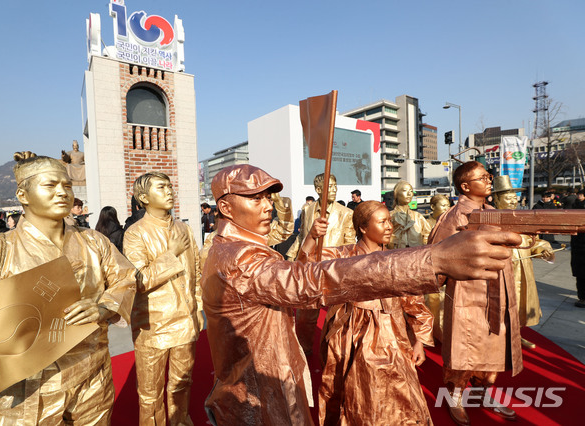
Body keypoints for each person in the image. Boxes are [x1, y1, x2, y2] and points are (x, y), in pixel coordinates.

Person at [201, 164, 521, 425]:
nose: (269, 205)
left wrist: (419, 334)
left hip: (279, 382)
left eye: (268, 197)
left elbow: (298, 279)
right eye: (255, 198)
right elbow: (307, 280)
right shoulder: (240, 258)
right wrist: (432, 259)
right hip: (259, 399)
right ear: (225, 207)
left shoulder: (236, 249)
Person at [0, 151, 137, 424]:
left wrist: (104, 306)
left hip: (93, 368)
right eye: (50, 185)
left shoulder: (94, 241)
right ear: (23, 195)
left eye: (67, 186)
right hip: (29, 385)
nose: (62, 193)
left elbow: (126, 278)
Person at [300, 201, 434, 425]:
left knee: (402, 393)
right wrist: (312, 237)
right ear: (363, 228)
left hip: (394, 334)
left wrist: (419, 340)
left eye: (389, 221)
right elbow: (306, 267)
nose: (389, 226)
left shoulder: (398, 259)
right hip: (351, 333)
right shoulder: (344, 256)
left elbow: (414, 300)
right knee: (355, 395)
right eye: (382, 222)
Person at [429, 162, 521, 425]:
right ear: (465, 186)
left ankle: (483, 394)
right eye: (482, 177)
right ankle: (456, 397)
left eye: (488, 176)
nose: (489, 181)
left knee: (496, 346)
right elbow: (436, 257)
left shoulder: (493, 212)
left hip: (499, 289)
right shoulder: (453, 216)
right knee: (465, 347)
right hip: (468, 293)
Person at [124, 172, 203, 425]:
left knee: (182, 381)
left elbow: (198, 273)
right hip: (153, 325)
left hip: (186, 320)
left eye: (170, 186)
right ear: (144, 198)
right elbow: (138, 280)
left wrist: (198, 307)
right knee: (150, 392)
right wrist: (171, 254)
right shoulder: (135, 233)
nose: (170, 191)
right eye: (161, 187)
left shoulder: (184, 229)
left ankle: (180, 419)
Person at [286, 173, 356, 355]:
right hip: (311, 270)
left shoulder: (346, 213)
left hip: (336, 270)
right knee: (304, 316)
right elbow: (302, 237)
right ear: (318, 190)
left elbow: (350, 244)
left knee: (338, 316)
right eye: (329, 187)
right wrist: (291, 256)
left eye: (335, 186)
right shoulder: (308, 210)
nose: (334, 190)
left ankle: (336, 353)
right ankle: (304, 352)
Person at [492, 175, 554, 349]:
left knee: (520, 303)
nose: (513, 202)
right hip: (500, 271)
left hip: (522, 270)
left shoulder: (522, 218)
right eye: (508, 198)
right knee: (500, 304)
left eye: (514, 198)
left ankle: (515, 336)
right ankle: (498, 338)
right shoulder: (489, 219)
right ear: (497, 199)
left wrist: (542, 249)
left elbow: (533, 241)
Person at [424, 193, 451, 341]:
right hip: (430, 267)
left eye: (448, 205)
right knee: (431, 300)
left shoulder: (451, 225)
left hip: (448, 268)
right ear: (433, 207)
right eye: (443, 205)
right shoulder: (425, 223)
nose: (446, 209)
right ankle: (432, 331)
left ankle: (445, 330)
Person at [388, 180, 431, 248]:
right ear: (396, 194)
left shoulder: (418, 217)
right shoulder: (389, 216)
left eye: (411, 191)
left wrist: (423, 245)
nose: (409, 194)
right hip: (396, 254)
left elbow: (428, 234)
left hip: (416, 254)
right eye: (405, 190)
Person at [571, 189, 585, 308]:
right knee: (581, 274)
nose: (579, 196)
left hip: (579, 244)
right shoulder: (575, 206)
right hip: (579, 245)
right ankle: (582, 298)